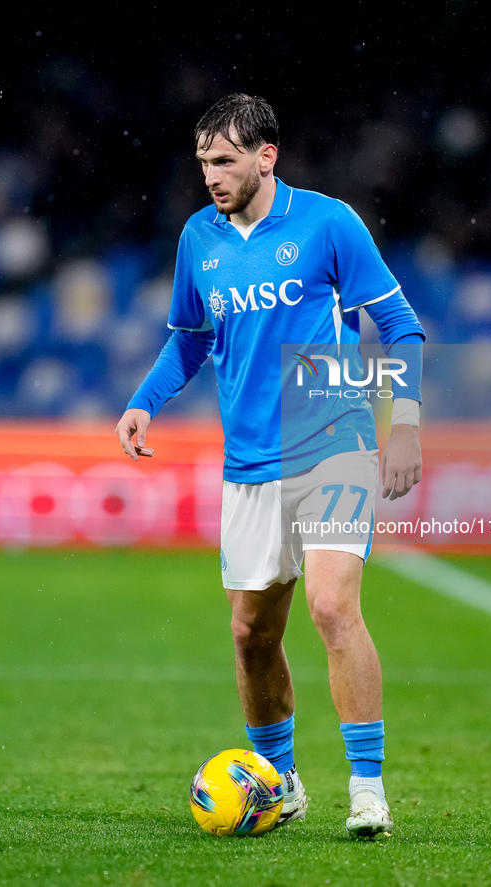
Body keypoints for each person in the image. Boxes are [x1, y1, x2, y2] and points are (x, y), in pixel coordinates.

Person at [115, 93, 425, 838]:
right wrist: (145, 400)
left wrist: (404, 426)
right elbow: (190, 337)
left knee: (329, 604)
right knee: (251, 632)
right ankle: (279, 782)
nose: (211, 176)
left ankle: (367, 789)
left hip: (333, 439)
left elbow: (400, 326)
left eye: (224, 160)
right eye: (202, 163)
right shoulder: (200, 237)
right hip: (250, 462)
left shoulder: (327, 222)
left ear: (266, 156)